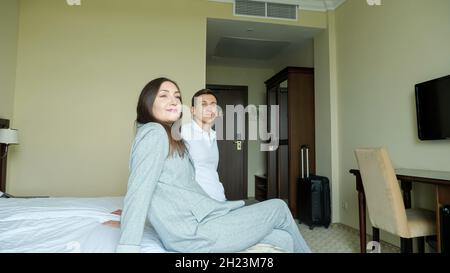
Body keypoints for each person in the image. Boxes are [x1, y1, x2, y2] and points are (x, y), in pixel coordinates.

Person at [116, 77, 311, 253]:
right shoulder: (155, 133)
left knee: (284, 239)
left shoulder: (171, 137)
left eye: (177, 96)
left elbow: (170, 186)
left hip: (205, 217)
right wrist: (127, 245)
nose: (174, 100)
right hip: (193, 231)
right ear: (148, 103)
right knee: (278, 207)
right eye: (164, 96)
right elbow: (140, 189)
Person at [180, 89, 226, 202]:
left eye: (213, 104)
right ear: (193, 110)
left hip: (219, 198)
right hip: (199, 203)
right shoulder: (183, 133)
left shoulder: (212, 135)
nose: (209, 108)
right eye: (203, 104)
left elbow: (210, 170)